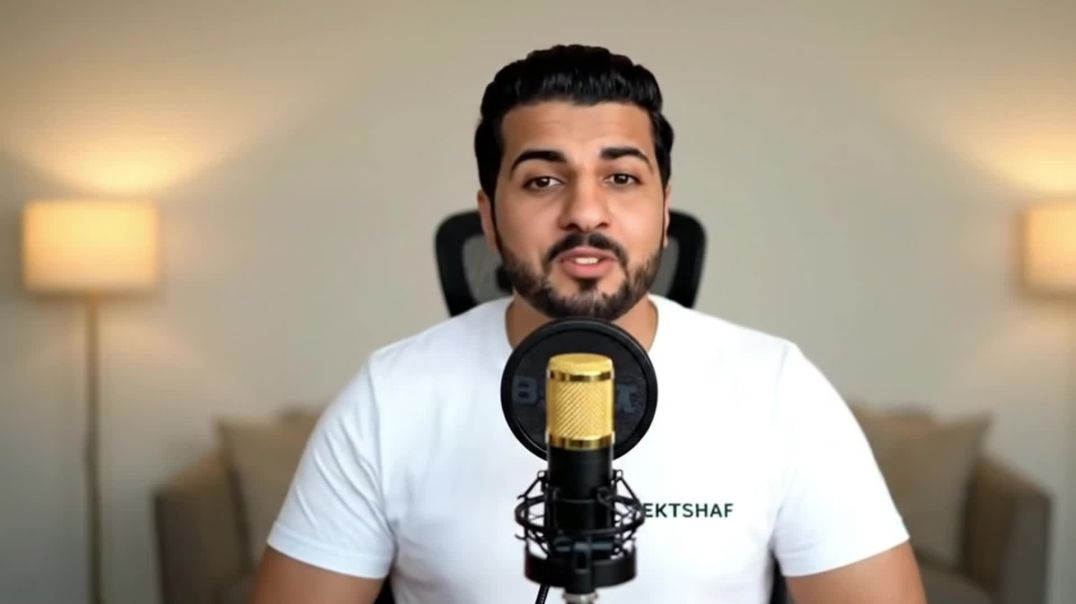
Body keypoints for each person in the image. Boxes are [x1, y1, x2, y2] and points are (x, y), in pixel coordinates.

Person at [250, 44, 926, 604]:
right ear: (488, 219)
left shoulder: (778, 389)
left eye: (622, 178)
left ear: (664, 211)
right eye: (543, 181)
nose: (585, 212)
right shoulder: (389, 398)